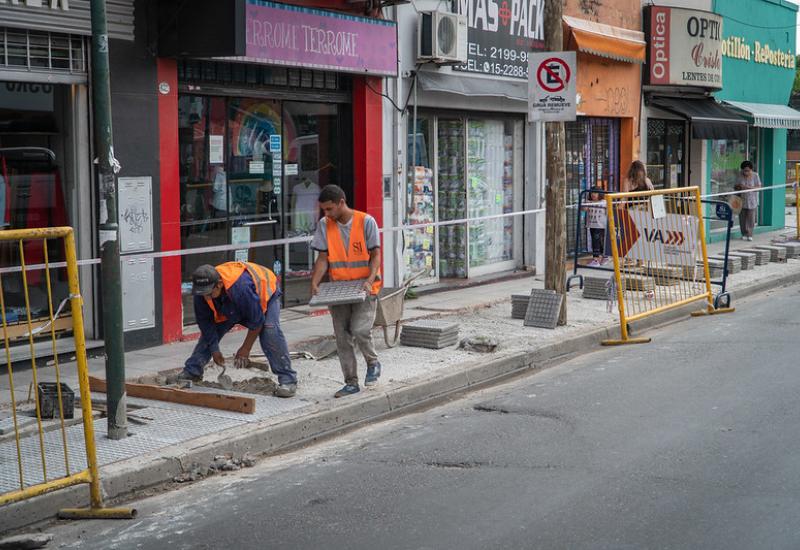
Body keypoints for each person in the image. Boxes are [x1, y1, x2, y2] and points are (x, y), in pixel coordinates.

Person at [179, 262, 298, 398]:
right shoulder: (202, 293)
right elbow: (206, 325)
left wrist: (245, 349)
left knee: (270, 330)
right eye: (203, 293)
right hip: (230, 301)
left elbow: (257, 320)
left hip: (265, 293)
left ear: (219, 284)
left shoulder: (241, 288)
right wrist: (215, 350)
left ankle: (288, 380)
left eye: (209, 293)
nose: (206, 297)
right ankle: (192, 371)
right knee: (210, 334)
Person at [310, 185, 382, 398]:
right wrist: (315, 281)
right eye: (324, 210)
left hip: (364, 288)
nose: (327, 214)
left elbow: (376, 255)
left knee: (360, 329)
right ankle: (351, 382)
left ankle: (373, 362)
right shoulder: (325, 224)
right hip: (338, 289)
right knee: (342, 338)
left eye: (330, 209)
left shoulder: (366, 222)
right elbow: (323, 258)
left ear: (342, 202)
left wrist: (370, 280)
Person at [735, 160, 761, 241]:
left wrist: (749, 188)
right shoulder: (739, 175)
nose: (746, 172)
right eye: (744, 170)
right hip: (742, 199)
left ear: (751, 169)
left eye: (748, 170)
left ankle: (750, 234)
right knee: (742, 218)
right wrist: (740, 186)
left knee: (751, 218)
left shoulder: (755, 175)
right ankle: (743, 233)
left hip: (752, 200)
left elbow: (759, 187)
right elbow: (735, 187)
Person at [584, 186, 607, 266]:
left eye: (596, 193)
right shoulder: (589, 202)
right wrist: (586, 203)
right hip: (592, 224)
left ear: (600, 194)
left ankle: (596, 259)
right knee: (596, 241)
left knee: (596, 242)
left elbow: (609, 211)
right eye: (592, 193)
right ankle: (604, 257)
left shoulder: (604, 202)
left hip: (600, 225)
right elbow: (584, 209)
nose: (593, 194)